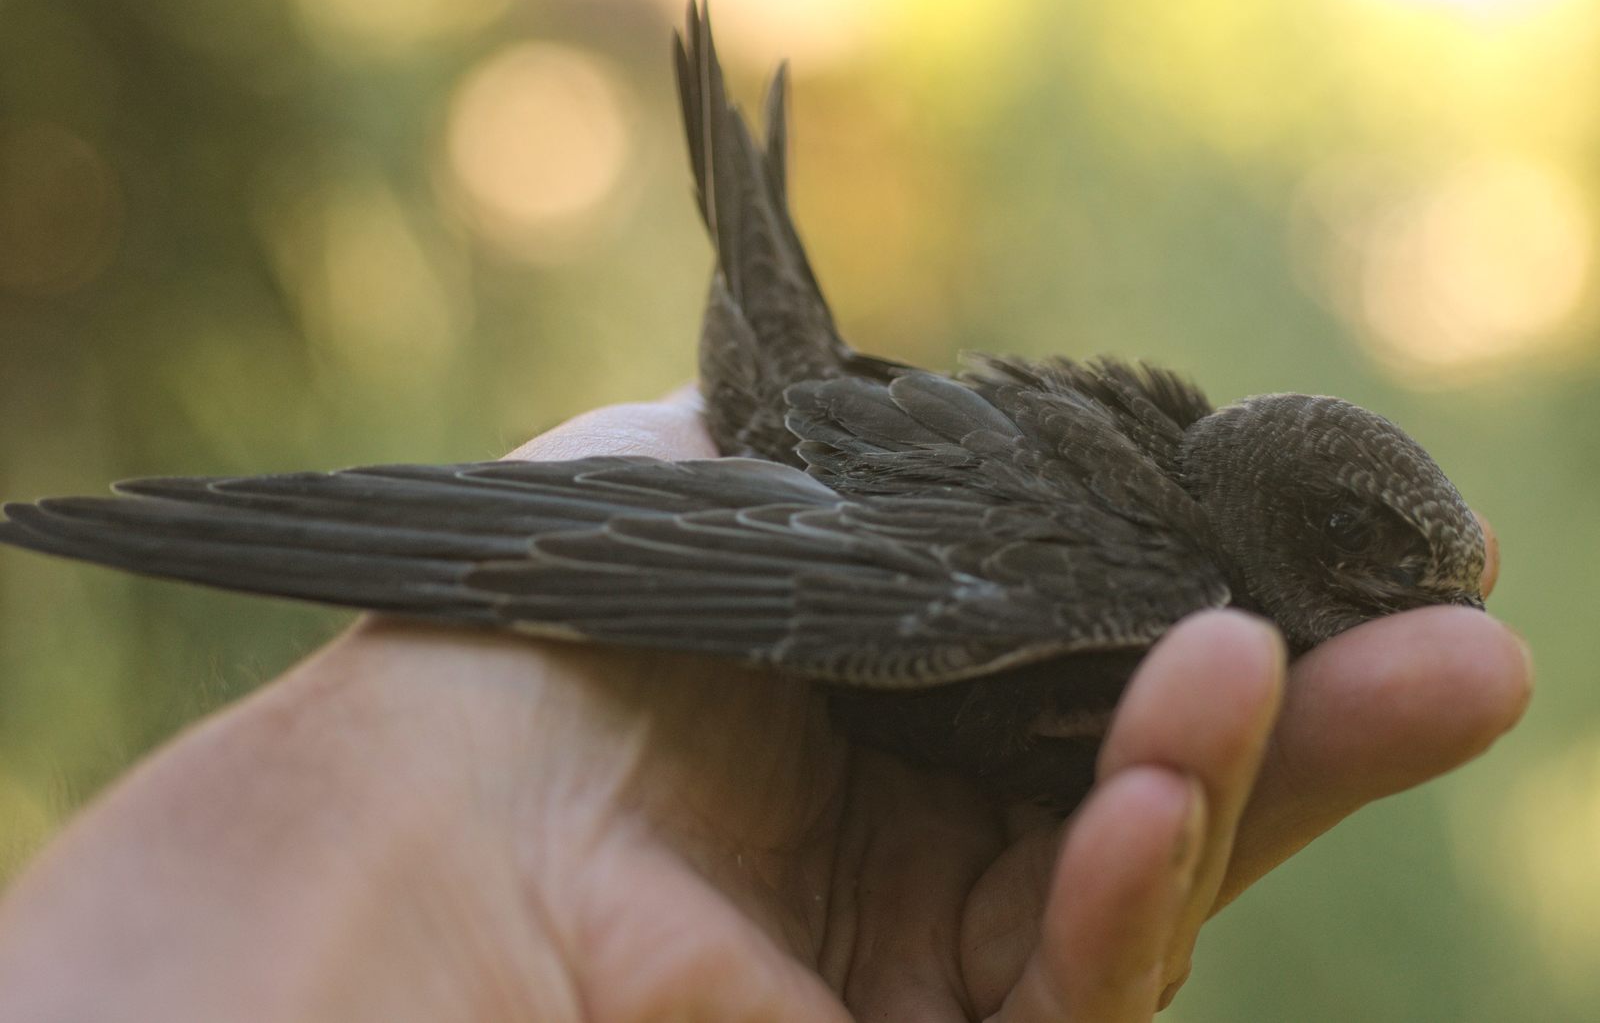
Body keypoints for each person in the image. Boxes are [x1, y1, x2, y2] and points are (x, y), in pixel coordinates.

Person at [0, 391, 1531, 1021]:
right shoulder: (1136, 569)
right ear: (1308, 541)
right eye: (1389, 566)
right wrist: (415, 754)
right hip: (828, 489)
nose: (1417, 602)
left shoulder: (1224, 572)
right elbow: (751, 554)